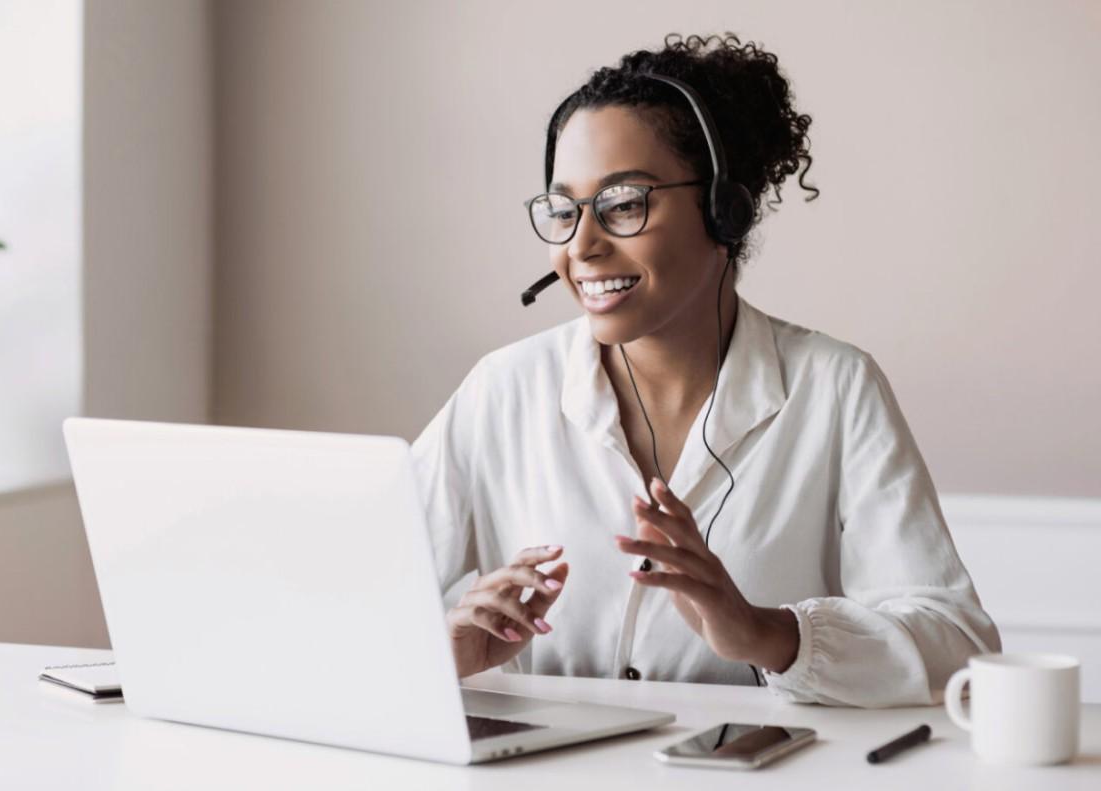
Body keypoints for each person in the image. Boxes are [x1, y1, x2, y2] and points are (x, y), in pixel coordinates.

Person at [409, 33, 1000, 708]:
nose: (582, 246)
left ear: (724, 210)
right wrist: (441, 647)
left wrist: (768, 633)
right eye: (565, 210)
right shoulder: (502, 390)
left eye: (624, 203)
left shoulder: (835, 388)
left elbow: (958, 645)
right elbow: (349, 605)